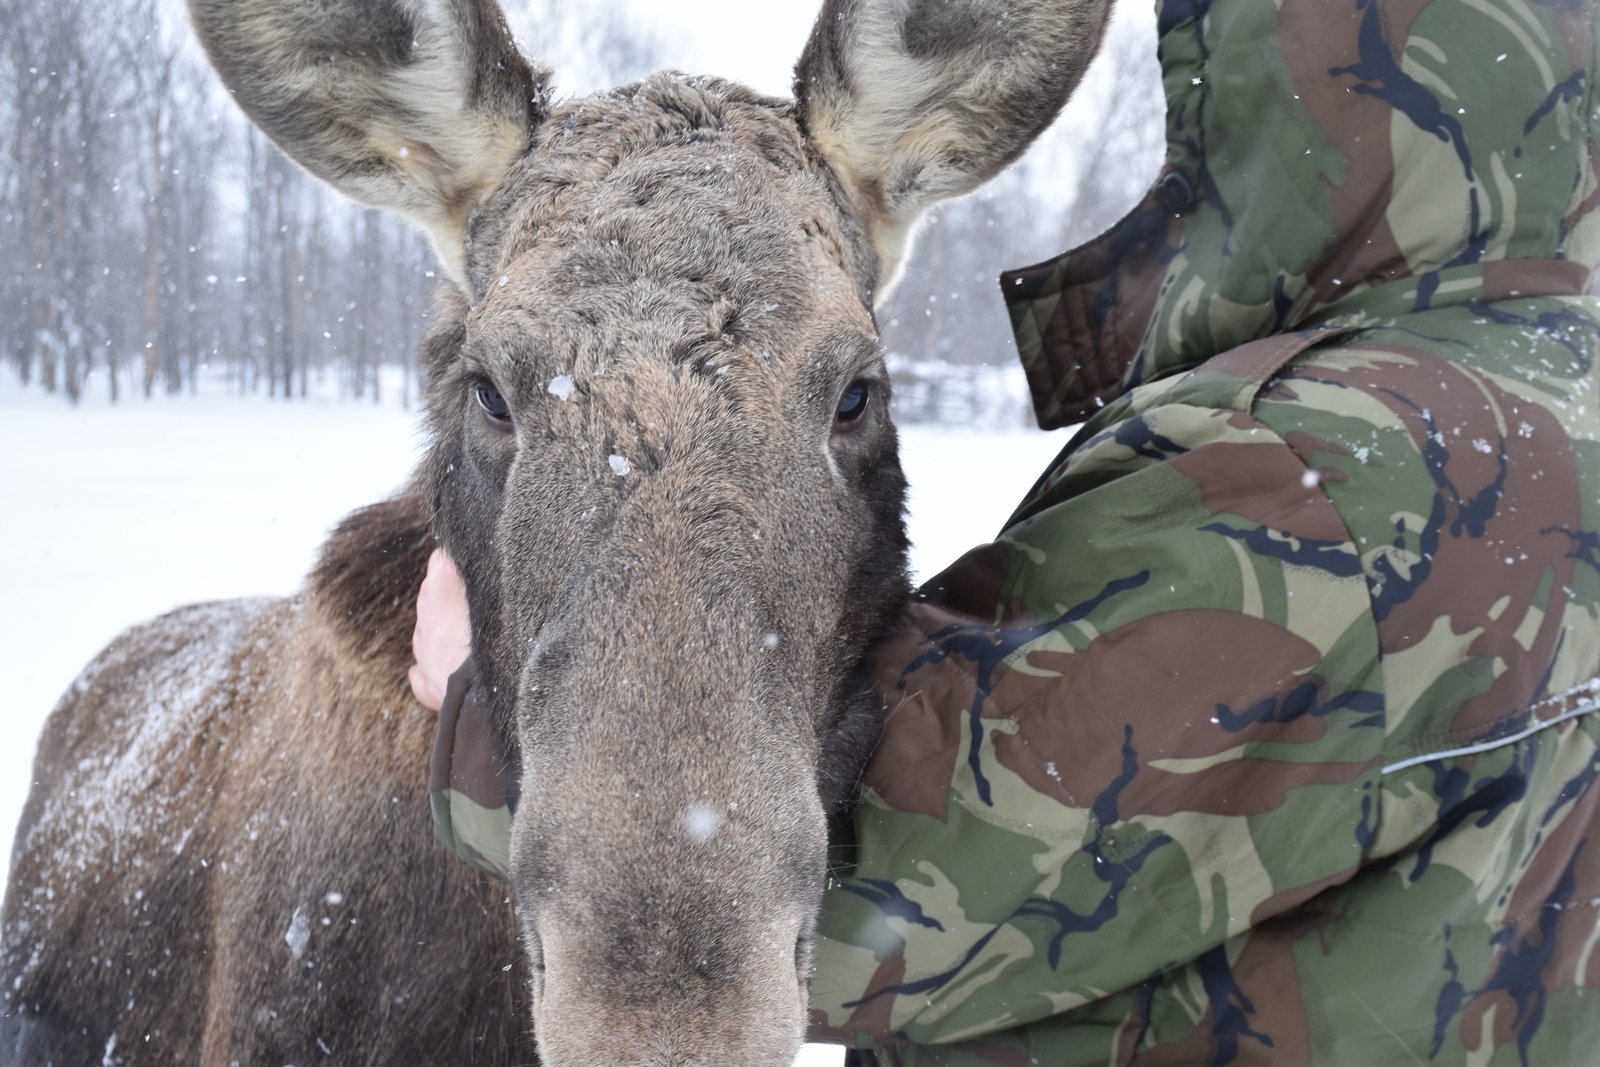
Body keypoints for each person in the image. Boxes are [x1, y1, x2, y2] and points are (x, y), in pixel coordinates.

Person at [413, 0, 1600, 1061]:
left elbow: (957, 873)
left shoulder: (1326, 464)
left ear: (1298, 140)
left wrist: (471, 714)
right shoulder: (1554, 406)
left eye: (1198, 128)